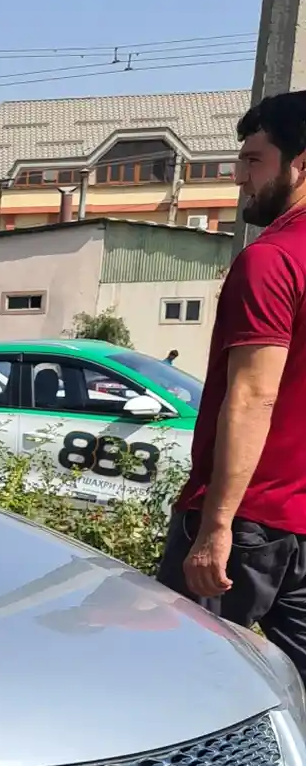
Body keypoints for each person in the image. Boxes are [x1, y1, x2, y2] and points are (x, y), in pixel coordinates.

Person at [157, 91, 306, 678]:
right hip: (297, 524)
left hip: (248, 524)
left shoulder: (271, 260)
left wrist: (216, 527)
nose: (241, 178)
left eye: (254, 160)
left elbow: (251, 397)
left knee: (181, 683)